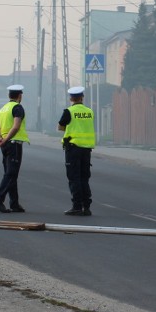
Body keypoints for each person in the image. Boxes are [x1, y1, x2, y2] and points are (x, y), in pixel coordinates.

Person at [57, 86, 95, 216]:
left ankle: (77, 206)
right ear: (82, 97)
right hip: (87, 149)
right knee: (84, 177)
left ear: (71, 98)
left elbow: (60, 127)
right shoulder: (89, 111)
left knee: (74, 178)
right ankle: (87, 206)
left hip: (73, 148)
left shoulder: (69, 111)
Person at [0, 84, 27, 213]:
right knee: (11, 174)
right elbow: (16, 126)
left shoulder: (3, 109)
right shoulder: (17, 108)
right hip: (13, 144)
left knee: (11, 174)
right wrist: (5, 140)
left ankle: (14, 203)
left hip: (5, 144)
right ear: (20, 96)